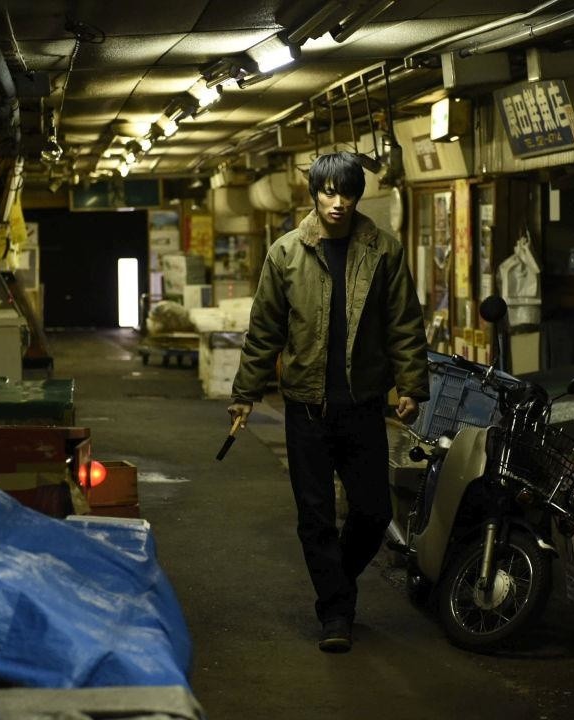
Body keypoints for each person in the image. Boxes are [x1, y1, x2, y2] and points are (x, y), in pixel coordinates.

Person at [227, 152, 429, 653]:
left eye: (348, 193)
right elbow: (264, 331)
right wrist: (245, 394)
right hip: (306, 408)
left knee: (373, 512)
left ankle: (335, 579)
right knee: (314, 516)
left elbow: (404, 324)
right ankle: (336, 612)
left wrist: (410, 386)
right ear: (314, 194)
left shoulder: (383, 250)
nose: (338, 203)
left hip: (362, 406)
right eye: (329, 192)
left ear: (358, 195)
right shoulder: (286, 253)